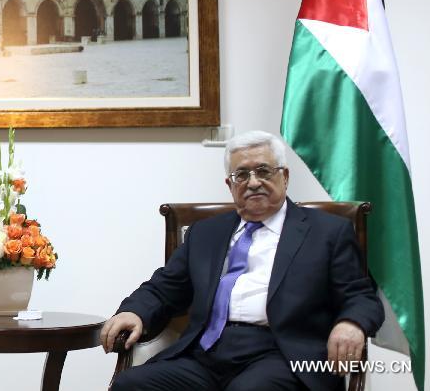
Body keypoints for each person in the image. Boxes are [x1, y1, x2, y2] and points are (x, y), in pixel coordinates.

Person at [101, 130, 384, 391]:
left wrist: (351, 323)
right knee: (132, 384)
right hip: (206, 352)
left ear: (284, 177)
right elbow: (164, 287)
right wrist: (134, 312)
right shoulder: (205, 233)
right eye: (242, 175)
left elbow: (360, 296)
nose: (253, 182)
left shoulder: (327, 232)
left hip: (281, 353)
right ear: (230, 184)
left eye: (263, 171)